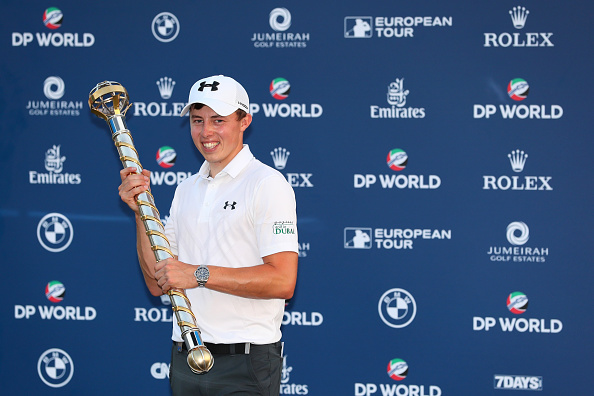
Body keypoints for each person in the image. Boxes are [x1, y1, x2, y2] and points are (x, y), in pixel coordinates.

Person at [118, 75, 299, 395]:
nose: (206, 132)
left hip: (245, 362)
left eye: (219, 120)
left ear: (245, 121)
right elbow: (156, 280)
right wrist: (140, 211)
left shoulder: (267, 184)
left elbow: (283, 282)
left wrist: (198, 274)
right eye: (197, 120)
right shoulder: (186, 189)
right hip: (187, 354)